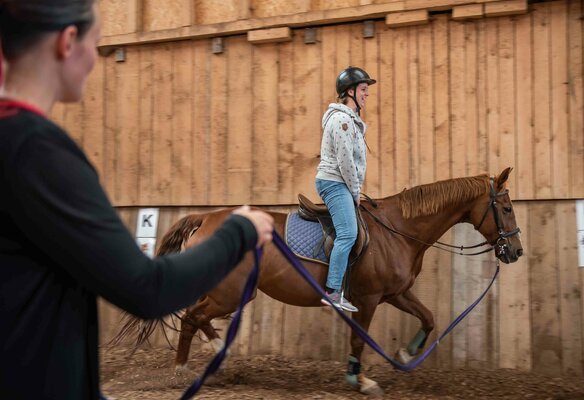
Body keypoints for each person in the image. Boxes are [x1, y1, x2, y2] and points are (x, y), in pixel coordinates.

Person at [0, 1, 274, 399]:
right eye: (96, 44)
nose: (96, 59)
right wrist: (240, 232)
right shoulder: (39, 151)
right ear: (68, 41)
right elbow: (147, 290)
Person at [315, 66, 376, 313]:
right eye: (363, 89)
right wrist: (354, 191)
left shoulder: (349, 120)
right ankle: (332, 292)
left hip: (341, 182)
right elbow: (345, 161)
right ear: (349, 92)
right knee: (348, 234)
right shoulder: (342, 121)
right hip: (335, 182)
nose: (367, 94)